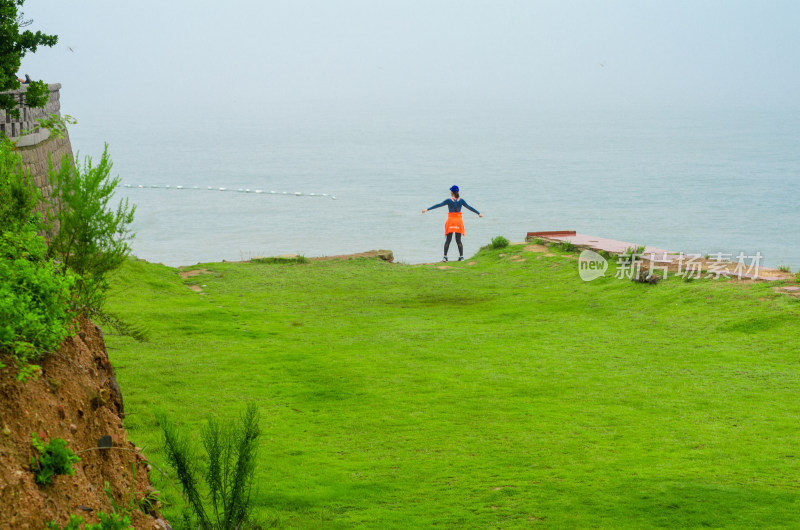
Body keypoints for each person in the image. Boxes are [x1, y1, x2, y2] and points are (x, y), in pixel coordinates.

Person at [422, 185, 482, 262]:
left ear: (452, 192)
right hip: (458, 222)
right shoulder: (461, 201)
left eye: (450, 191)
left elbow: (438, 205)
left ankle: (445, 257)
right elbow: (469, 207)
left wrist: (427, 209)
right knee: (458, 240)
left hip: (451, 221)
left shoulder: (449, 200)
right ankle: (461, 257)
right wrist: (478, 213)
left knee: (448, 240)